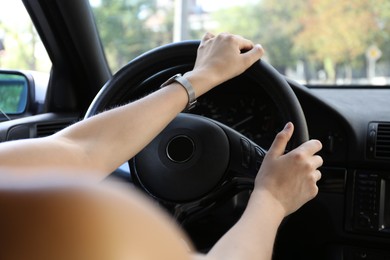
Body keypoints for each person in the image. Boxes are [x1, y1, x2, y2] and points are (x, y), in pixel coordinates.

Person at [0, 32, 323, 260]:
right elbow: (82, 149)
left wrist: (202, 77)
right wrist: (272, 199)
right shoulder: (85, 223)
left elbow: (83, 149)